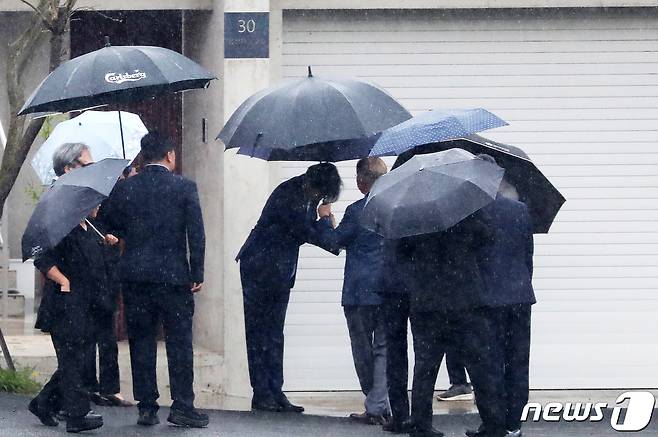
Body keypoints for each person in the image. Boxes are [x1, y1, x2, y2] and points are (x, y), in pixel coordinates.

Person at [104, 132, 208, 428]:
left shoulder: (127, 189)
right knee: (179, 342)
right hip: (174, 277)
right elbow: (196, 233)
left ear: (142, 156)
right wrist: (196, 271)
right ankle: (183, 405)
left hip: (135, 276)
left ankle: (147, 406)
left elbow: (112, 225)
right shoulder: (185, 187)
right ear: (170, 155)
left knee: (142, 342)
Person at [237, 162, 341, 413]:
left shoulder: (303, 193)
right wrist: (326, 221)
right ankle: (262, 392)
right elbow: (304, 232)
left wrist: (324, 224)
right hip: (260, 268)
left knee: (274, 332)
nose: (319, 198)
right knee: (260, 331)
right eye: (320, 194)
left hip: (278, 270)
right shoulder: (290, 195)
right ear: (312, 185)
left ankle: (275, 390)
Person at [465, 155, 536, 437]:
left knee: (487, 362)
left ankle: (492, 423)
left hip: (486, 299)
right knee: (517, 360)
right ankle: (513, 422)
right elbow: (527, 255)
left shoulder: (471, 213)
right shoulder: (520, 210)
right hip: (519, 295)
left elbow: (466, 261)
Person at [318, 157, 391, 425]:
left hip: (360, 291)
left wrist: (325, 220)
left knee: (363, 350)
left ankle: (374, 402)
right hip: (388, 290)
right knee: (384, 348)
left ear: (362, 182)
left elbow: (334, 242)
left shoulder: (357, 210)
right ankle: (379, 403)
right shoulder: (397, 209)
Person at [29, 207, 111, 433]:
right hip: (65, 306)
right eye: (95, 203)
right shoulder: (62, 228)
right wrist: (63, 280)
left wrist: (106, 242)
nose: (99, 207)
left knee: (78, 359)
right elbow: (43, 259)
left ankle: (43, 402)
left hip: (87, 307)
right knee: (72, 358)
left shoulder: (90, 228)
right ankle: (77, 414)